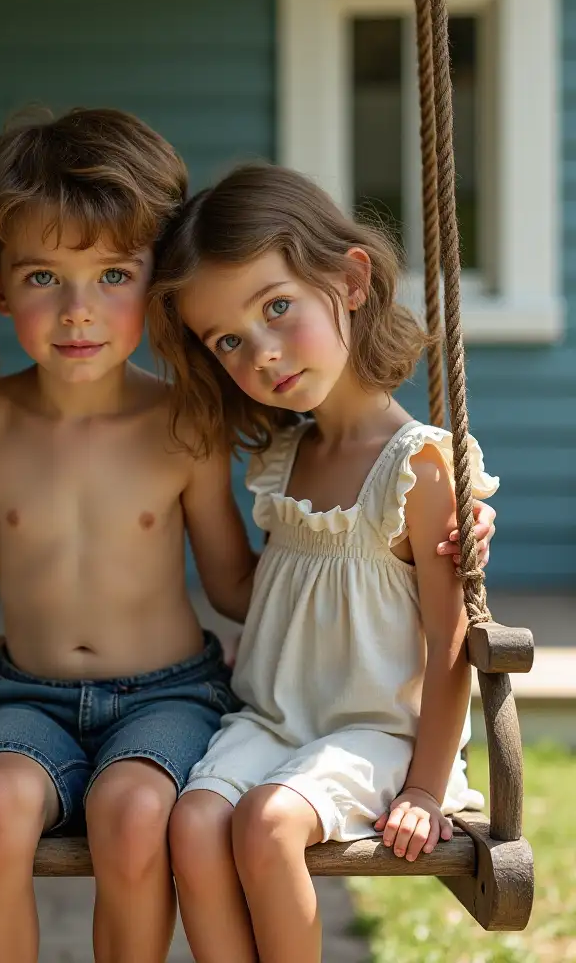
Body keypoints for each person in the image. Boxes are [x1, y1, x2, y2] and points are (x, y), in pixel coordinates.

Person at [0, 112, 495, 963]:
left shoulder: (186, 422)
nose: (78, 312)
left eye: (112, 274)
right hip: (26, 694)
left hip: (168, 695)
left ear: (151, 291)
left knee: (137, 814)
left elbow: (237, 583)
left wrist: (424, 542)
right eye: (44, 277)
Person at [148, 162, 494, 963]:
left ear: (349, 279)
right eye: (229, 340)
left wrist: (424, 786)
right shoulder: (282, 458)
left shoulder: (421, 464)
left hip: (378, 735)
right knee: (195, 822)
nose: (263, 354)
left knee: (269, 823)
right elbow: (262, 597)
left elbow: (450, 643)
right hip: (273, 721)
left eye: (277, 308)